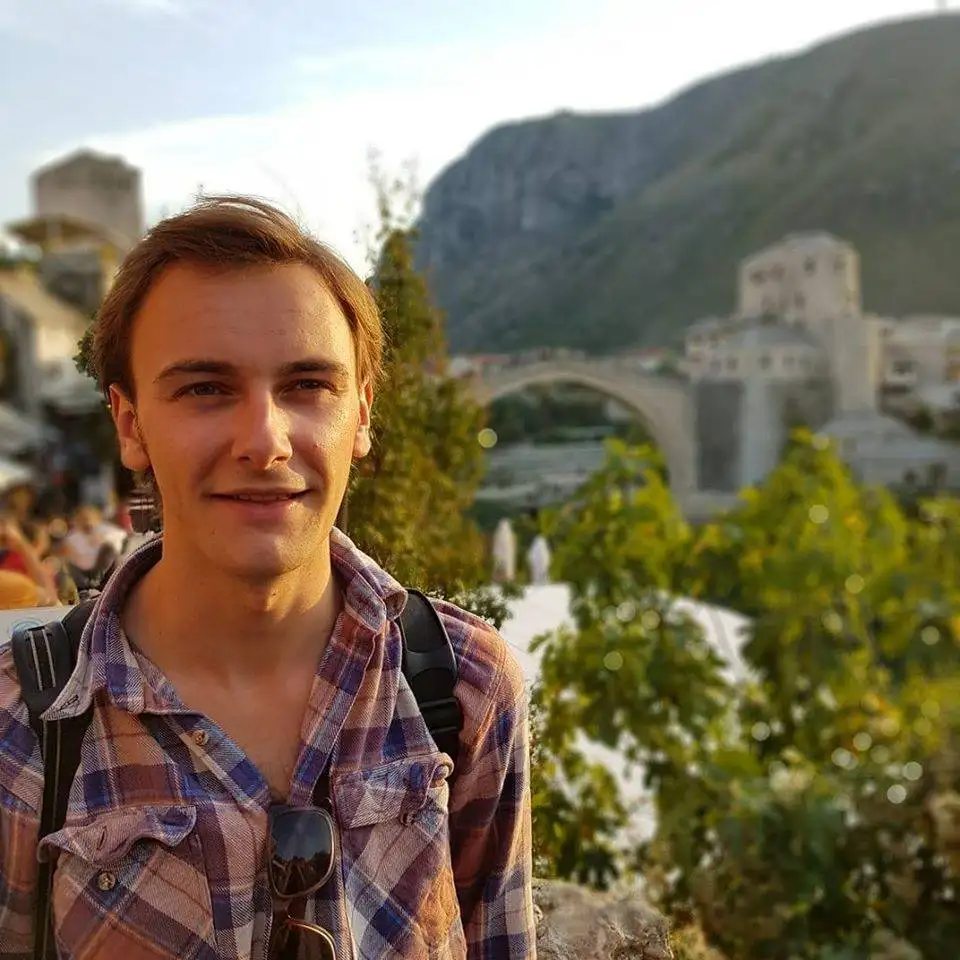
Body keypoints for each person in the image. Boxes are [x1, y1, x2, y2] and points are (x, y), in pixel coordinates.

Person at [0, 197, 536, 959]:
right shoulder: (25, 724)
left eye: (307, 386)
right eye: (205, 389)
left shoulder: (463, 686)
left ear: (361, 415)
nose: (264, 440)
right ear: (129, 424)